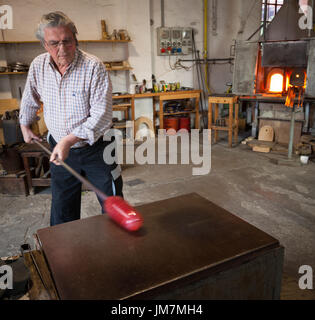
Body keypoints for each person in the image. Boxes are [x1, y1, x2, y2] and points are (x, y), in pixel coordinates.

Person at [19, 11, 123, 226]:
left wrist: (69, 140)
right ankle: (64, 254)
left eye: (67, 41)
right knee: (62, 208)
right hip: (59, 147)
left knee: (112, 202)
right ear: (44, 45)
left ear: (75, 39)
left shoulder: (93, 66)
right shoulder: (39, 66)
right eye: (54, 43)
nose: (62, 49)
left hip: (98, 148)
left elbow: (102, 114)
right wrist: (24, 123)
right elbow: (30, 97)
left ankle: (121, 250)